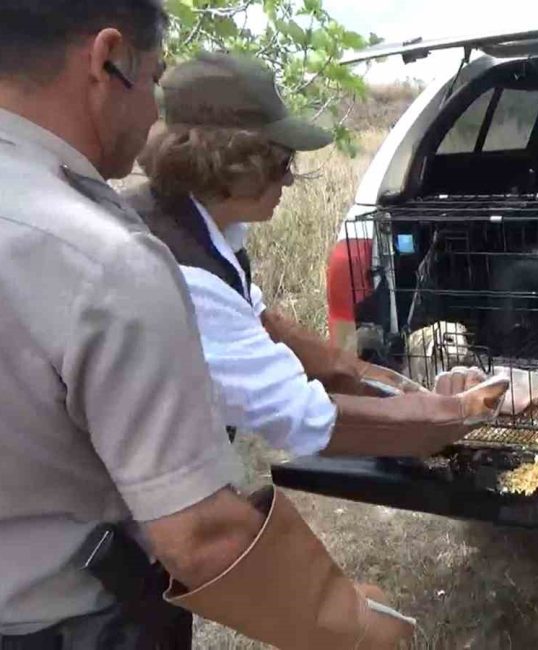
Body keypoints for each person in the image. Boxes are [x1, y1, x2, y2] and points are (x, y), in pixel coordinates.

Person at [0, 2, 480, 648]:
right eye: (153, 80)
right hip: (68, 622)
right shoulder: (110, 261)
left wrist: (400, 389)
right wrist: (360, 626)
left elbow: (269, 326)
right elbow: (201, 536)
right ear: (106, 58)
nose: (152, 114)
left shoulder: (110, 217)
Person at [125, 51, 510, 460]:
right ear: (229, 162)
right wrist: (457, 414)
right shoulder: (178, 269)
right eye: (281, 162)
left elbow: (272, 330)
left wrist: (405, 390)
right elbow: (301, 416)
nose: (289, 178)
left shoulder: (197, 228)